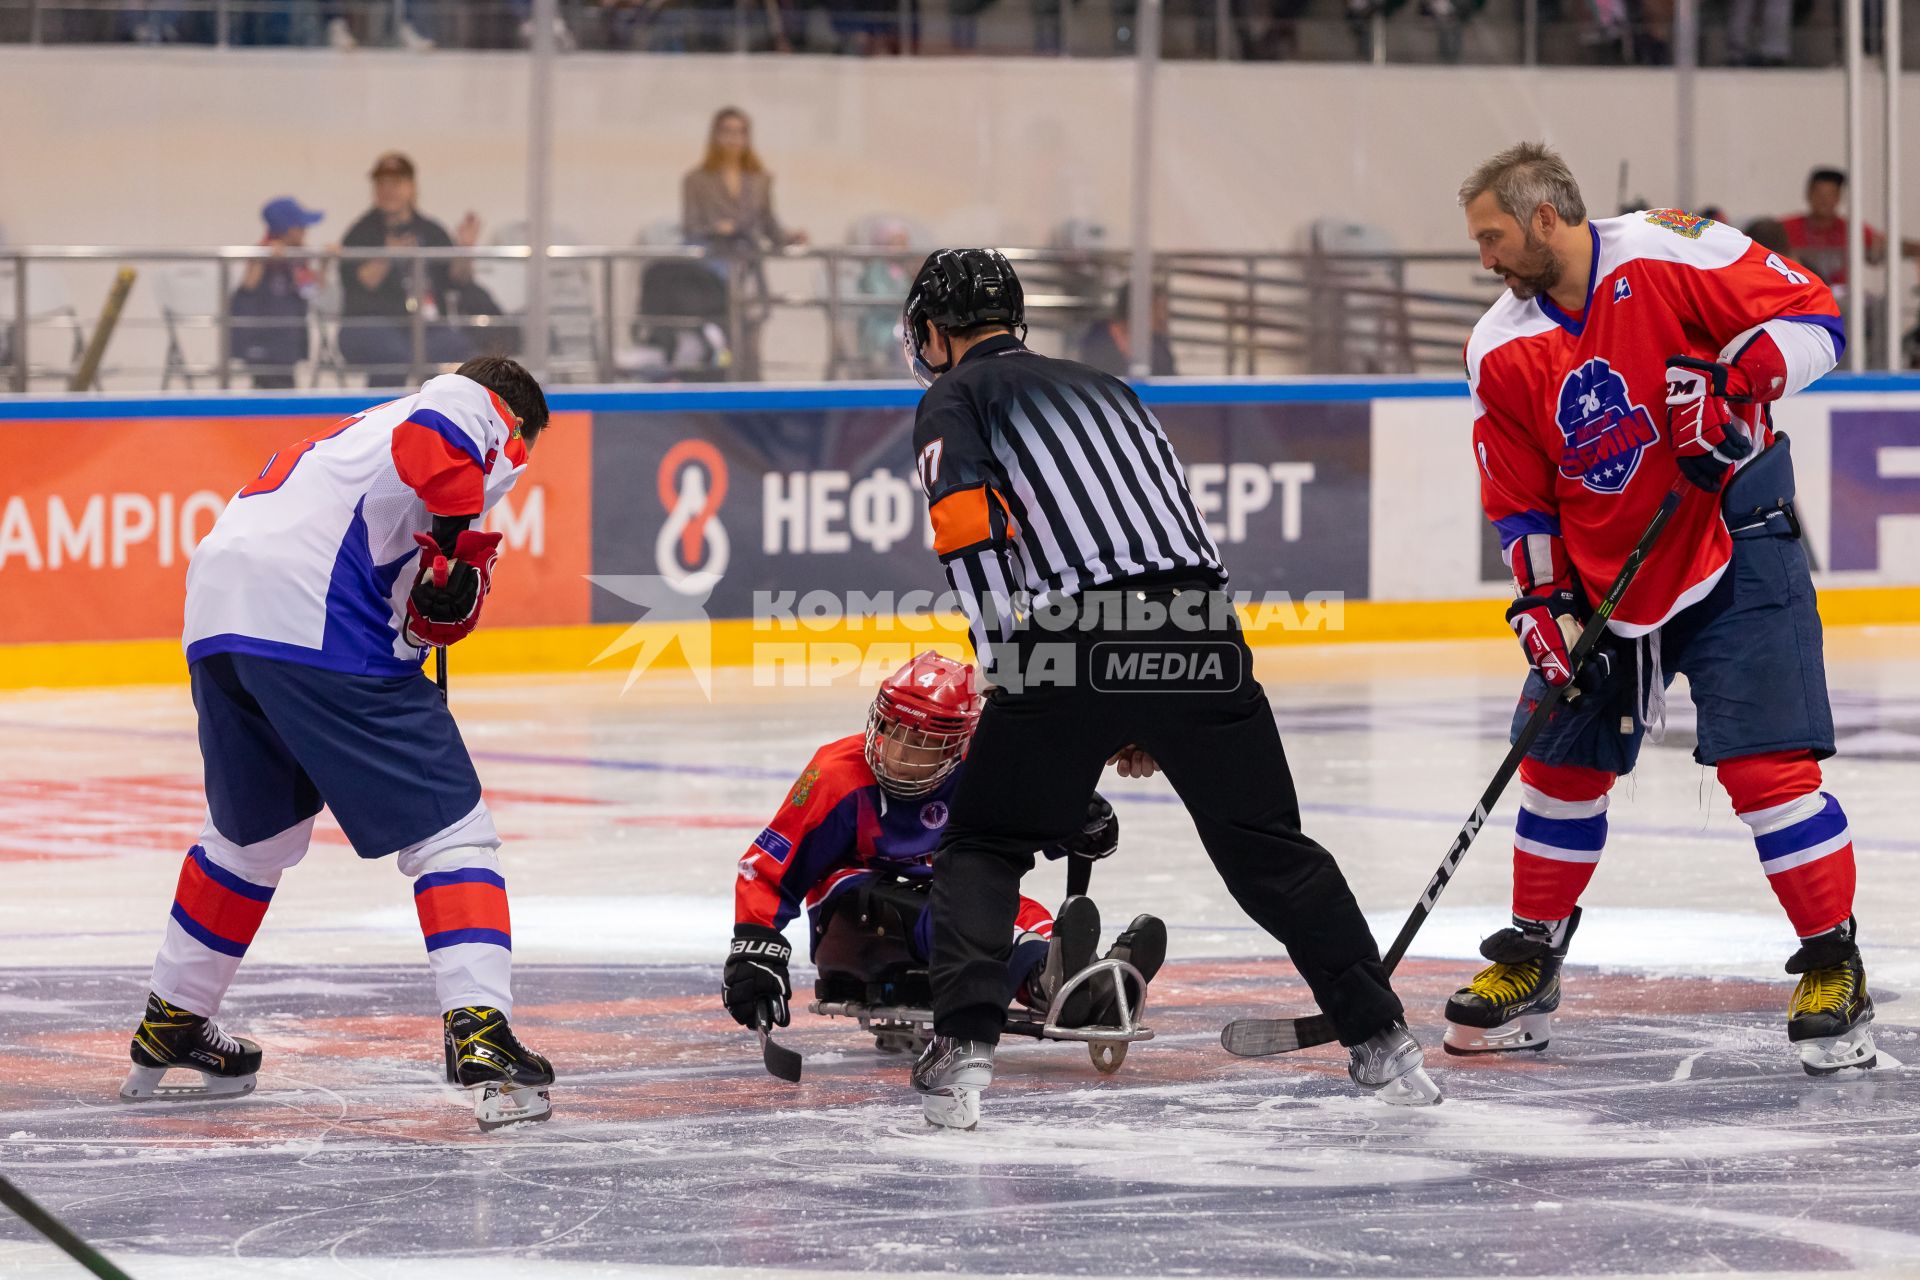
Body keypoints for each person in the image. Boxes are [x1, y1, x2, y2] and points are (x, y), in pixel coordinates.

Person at [900, 248, 1434, 1130]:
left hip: (1068, 634)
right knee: (1271, 848)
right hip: (1198, 628)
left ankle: (962, 1051)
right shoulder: (1112, 387)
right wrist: (1161, 693)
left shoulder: (953, 397)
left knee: (985, 844)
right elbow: (1182, 527)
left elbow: (968, 532)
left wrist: (1011, 669)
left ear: (932, 330)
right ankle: (1381, 1039)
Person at [1452, 142, 1872, 1077]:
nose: (1484, 257)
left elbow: (1817, 322)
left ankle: (1834, 966)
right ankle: (1534, 958)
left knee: (1769, 775)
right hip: (1606, 578)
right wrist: (1543, 604)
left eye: (1492, 236)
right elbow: (1520, 497)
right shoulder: (1498, 345)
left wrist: (1732, 386)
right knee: (1558, 770)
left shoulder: (1669, 250)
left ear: (1545, 219)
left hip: (1733, 538)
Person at [120, 357, 558, 1131]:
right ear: (515, 419)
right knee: (453, 832)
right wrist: (454, 554)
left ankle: (174, 1020)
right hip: (312, 612)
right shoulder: (464, 404)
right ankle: (481, 1034)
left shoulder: (355, 442)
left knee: (249, 840)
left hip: (222, 614)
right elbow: (441, 430)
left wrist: (447, 589)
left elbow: (426, 614)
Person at [721, 650, 1164, 1046]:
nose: (901, 754)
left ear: (959, 744)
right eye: (895, 732)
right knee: (956, 913)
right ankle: (1054, 979)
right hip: (855, 918)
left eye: (925, 744)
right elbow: (771, 862)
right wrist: (755, 943)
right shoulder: (836, 773)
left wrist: (1072, 820)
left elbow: (1023, 821)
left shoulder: (978, 770)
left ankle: (1073, 983)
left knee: (1005, 905)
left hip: (941, 898)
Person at [339, 152, 495, 382]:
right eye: (381, 184)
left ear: (411, 187)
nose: (388, 190)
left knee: (465, 353)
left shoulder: (431, 230)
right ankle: (386, 416)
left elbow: (458, 278)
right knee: (395, 356)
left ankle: (441, 414)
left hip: (427, 326)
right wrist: (387, 255)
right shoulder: (360, 232)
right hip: (372, 325)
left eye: (396, 183)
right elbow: (362, 280)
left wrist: (464, 249)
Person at [681, 108, 806, 380]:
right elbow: (689, 228)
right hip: (713, 272)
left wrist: (789, 237)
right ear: (715, 136)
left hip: (749, 269)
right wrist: (716, 228)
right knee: (720, 344)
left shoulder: (760, 180)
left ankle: (752, 404)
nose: (733, 139)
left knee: (751, 343)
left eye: (739, 132)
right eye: (726, 131)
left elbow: (768, 224)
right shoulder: (696, 180)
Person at [1778, 167, 1920, 292]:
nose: (1824, 201)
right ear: (1809, 194)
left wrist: (1914, 249)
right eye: (1819, 195)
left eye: (1831, 195)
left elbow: (1883, 246)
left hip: (1840, 304)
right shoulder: (1785, 229)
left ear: (1839, 197)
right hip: (1798, 297)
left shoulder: (1851, 230)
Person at [231, 197, 323, 389]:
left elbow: (311, 289)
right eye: (301, 227)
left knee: (287, 386)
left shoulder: (297, 257)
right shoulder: (262, 253)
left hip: (287, 343)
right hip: (264, 342)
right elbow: (247, 287)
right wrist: (264, 258)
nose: (306, 232)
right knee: (266, 389)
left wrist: (326, 262)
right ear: (287, 230)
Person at [1075, 281, 1178, 378]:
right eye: (1156, 309)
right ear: (1135, 308)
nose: (1161, 316)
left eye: (1163, 309)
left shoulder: (1159, 345)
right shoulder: (1097, 339)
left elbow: (1171, 385)